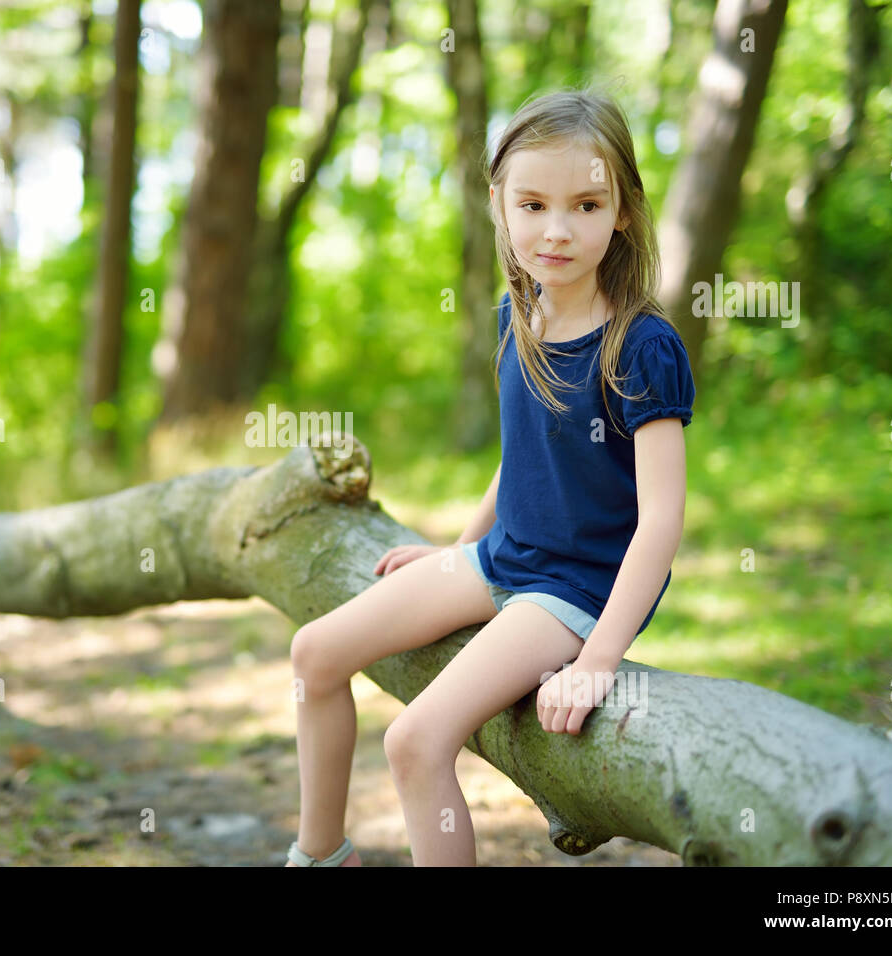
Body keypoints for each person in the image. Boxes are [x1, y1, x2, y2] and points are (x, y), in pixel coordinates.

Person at [283, 88, 695, 867]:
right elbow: (526, 455)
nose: (557, 229)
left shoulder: (643, 347)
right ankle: (317, 854)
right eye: (533, 204)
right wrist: (456, 549)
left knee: (414, 742)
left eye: (585, 204)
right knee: (314, 652)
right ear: (500, 206)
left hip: (572, 592)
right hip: (500, 558)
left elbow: (661, 523)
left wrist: (597, 660)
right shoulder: (520, 314)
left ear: (624, 212)